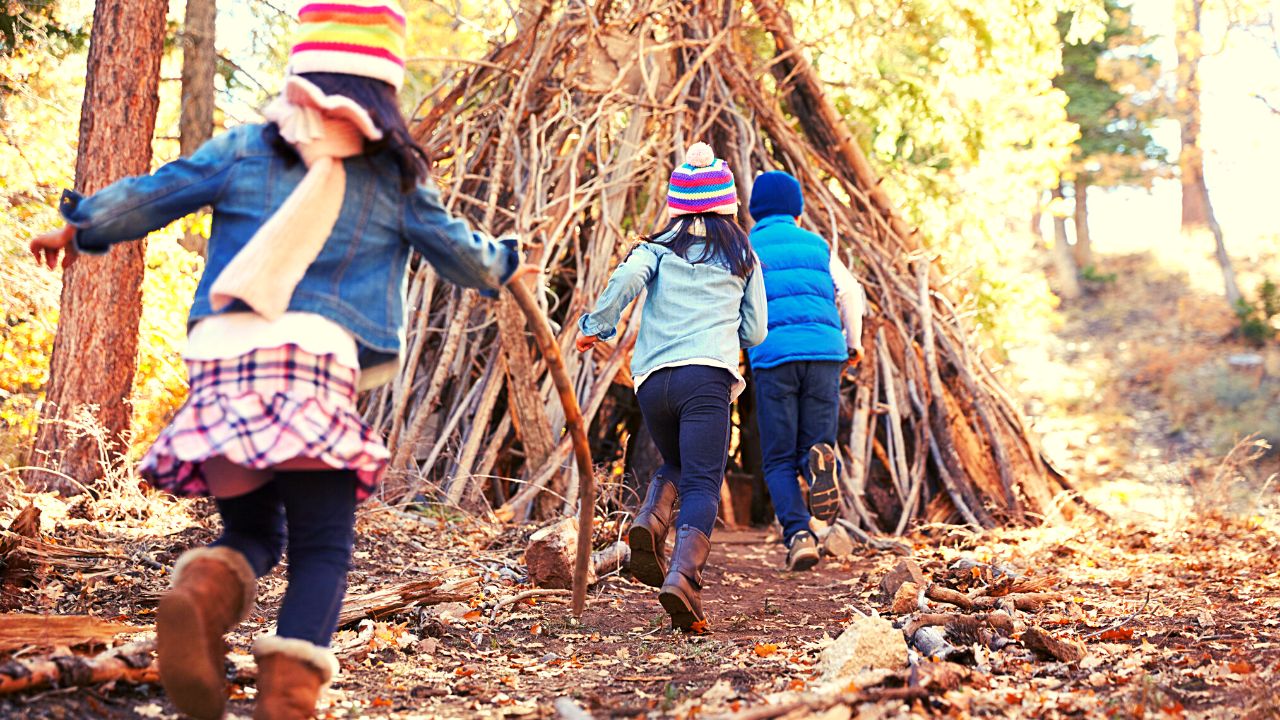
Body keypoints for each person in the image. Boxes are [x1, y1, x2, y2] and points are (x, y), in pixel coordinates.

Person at [29, 4, 530, 717]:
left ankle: (199, 598)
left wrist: (77, 230)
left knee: (251, 532)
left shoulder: (243, 149)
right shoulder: (393, 180)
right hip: (312, 370)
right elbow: (462, 256)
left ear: (301, 73)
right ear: (384, 89)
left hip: (225, 366)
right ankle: (287, 703)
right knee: (323, 547)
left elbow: (156, 193)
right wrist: (506, 265)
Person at [576, 142, 767, 632]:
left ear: (677, 205)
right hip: (706, 379)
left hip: (652, 382)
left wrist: (595, 327)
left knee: (678, 464)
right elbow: (756, 332)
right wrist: (729, 332)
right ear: (726, 203)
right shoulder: (743, 254)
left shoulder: (656, 249)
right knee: (704, 480)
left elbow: (624, 282)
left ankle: (650, 522)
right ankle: (683, 577)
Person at [746, 170, 866, 572]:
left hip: (774, 356)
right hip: (824, 354)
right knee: (814, 444)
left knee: (777, 457)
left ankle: (798, 535)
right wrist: (853, 342)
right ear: (797, 210)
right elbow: (849, 291)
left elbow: (735, 304)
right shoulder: (817, 245)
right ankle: (818, 460)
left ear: (754, 210)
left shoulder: (748, 248)